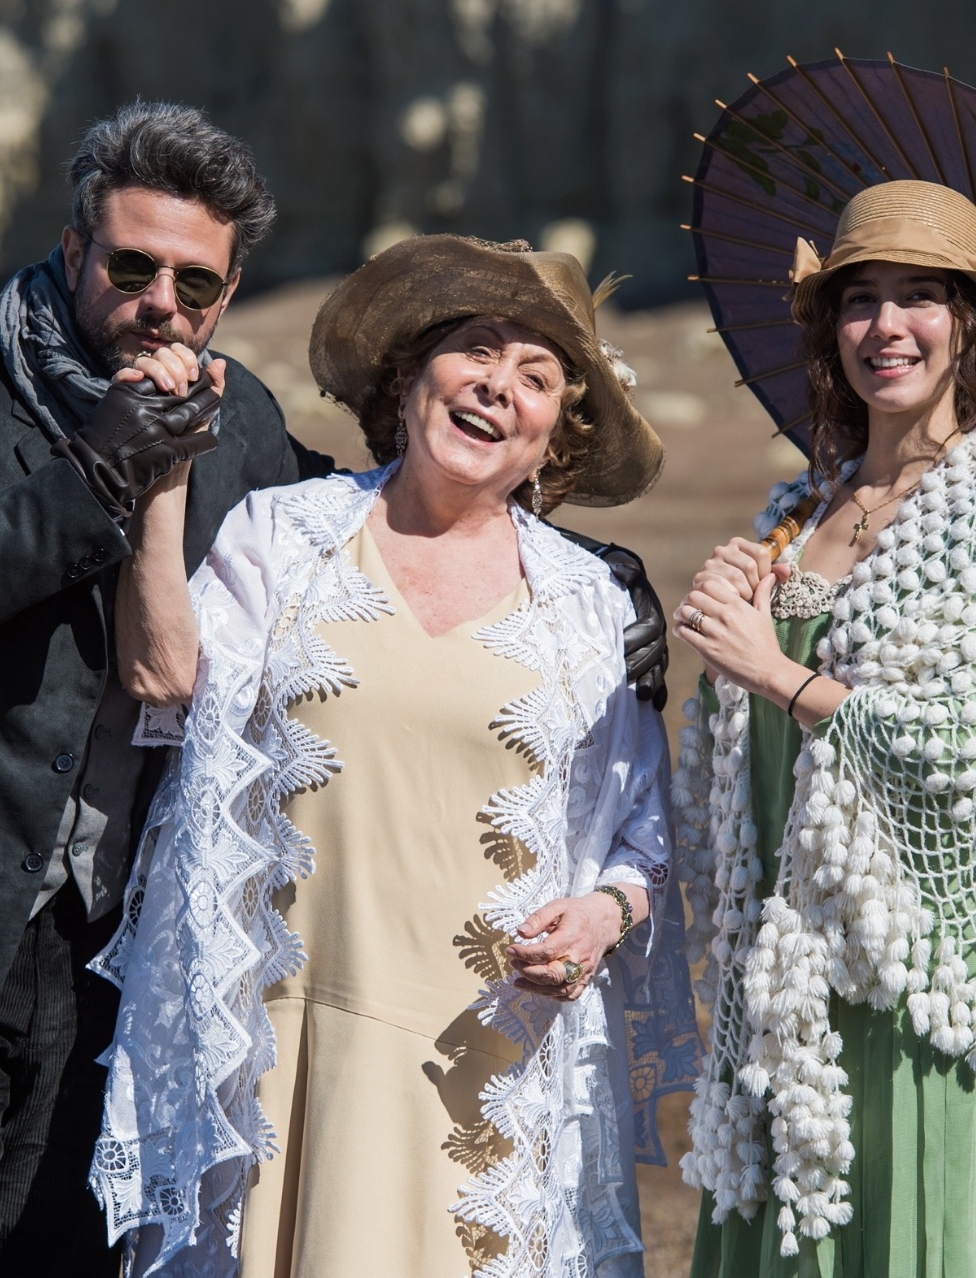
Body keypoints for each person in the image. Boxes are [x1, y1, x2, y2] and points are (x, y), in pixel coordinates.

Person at [0, 104, 669, 1275]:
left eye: (195, 282)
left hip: (113, 955)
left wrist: (601, 574)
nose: (160, 303)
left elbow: (377, 515)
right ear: (74, 248)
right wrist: (103, 465)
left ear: (225, 295)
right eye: (132, 267)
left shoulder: (240, 422)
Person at [85, 235, 700, 1278]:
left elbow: (643, 838)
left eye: (537, 376)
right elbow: (164, 676)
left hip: (484, 1062)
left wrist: (603, 916)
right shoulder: (283, 536)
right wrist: (162, 484)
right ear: (411, 379)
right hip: (285, 1048)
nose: (497, 386)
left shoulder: (592, 605)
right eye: (476, 351)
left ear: (556, 436)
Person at [669, 181, 976, 1276]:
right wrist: (725, 638)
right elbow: (737, 739)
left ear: (967, 326)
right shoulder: (798, 508)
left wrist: (770, 668)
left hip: (911, 967)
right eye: (859, 300)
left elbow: (953, 745)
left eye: (919, 297)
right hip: (785, 967)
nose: (886, 326)